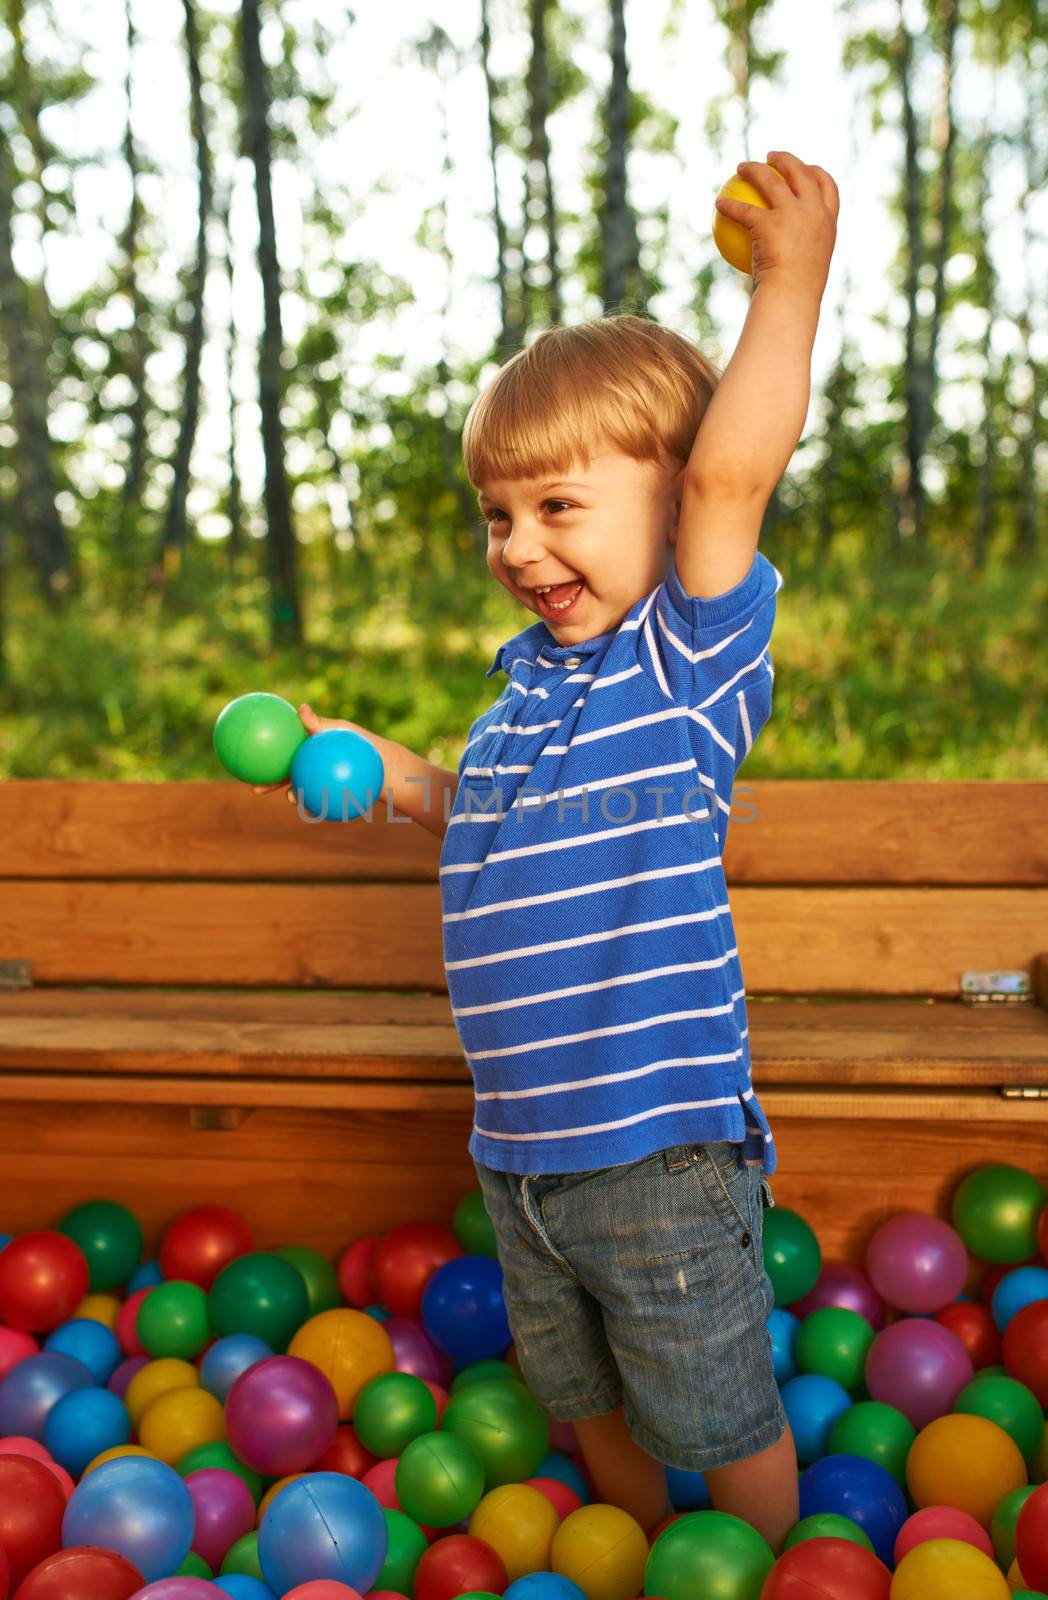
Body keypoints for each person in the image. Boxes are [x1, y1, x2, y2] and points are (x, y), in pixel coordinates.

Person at [257, 148, 839, 1552]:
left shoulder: (680, 668)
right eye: (499, 516)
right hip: (520, 1150)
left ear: (668, 501)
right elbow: (481, 817)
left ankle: (773, 1573)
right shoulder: (530, 691)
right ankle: (629, 1560)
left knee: (718, 1410)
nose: (519, 545)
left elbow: (736, 473)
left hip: (653, 1153)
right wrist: (394, 773)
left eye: (559, 508)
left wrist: (790, 288)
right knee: (587, 1400)